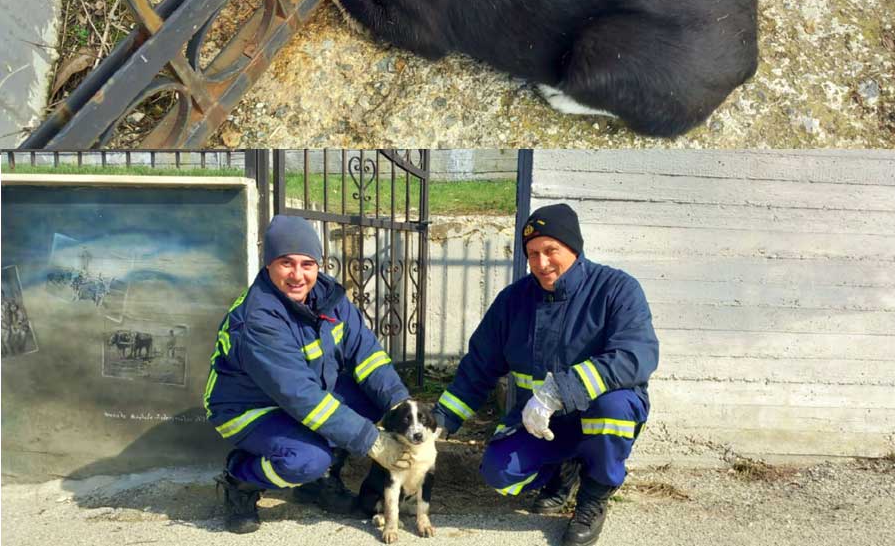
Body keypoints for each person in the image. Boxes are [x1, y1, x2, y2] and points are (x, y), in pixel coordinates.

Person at [433, 203, 659, 546]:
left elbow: (635, 356)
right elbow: (480, 364)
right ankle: (562, 471)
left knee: (612, 410)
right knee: (499, 472)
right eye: (532, 253)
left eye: (551, 250)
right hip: (541, 423)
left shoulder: (617, 290)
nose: (541, 263)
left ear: (574, 247)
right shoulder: (514, 300)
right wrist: (442, 419)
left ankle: (593, 498)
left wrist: (559, 391)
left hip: (597, 415)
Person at [204, 215, 413, 533]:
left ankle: (320, 482)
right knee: (305, 459)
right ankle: (241, 479)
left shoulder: (330, 299)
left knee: (375, 402)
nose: (298, 275)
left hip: (305, 395)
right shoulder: (258, 319)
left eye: (307, 264)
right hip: (248, 409)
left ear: (319, 265)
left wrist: (401, 407)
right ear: (269, 264)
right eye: (286, 263)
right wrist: (373, 442)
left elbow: (368, 357)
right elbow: (301, 398)